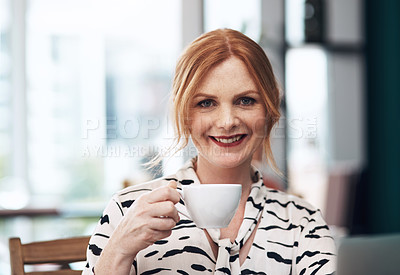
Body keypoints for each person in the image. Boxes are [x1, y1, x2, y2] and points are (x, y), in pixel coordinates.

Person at [83, 29, 336, 274]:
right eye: (206, 103)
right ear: (184, 114)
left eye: (246, 100)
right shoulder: (127, 209)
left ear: (268, 111)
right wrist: (119, 251)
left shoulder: (303, 222)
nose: (227, 121)